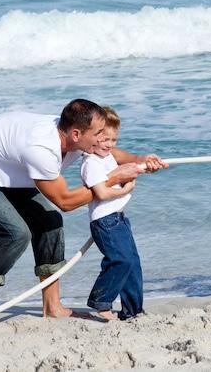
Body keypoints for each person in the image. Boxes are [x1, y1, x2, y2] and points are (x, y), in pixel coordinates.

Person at [0, 99, 167, 325]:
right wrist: (113, 179)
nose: (102, 139)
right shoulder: (42, 150)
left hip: (7, 169)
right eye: (98, 133)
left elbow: (106, 150)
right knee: (15, 234)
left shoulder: (74, 136)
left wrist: (139, 160)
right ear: (76, 134)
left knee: (50, 223)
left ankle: (53, 307)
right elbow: (66, 202)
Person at [80, 107, 144, 321]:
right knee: (120, 261)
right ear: (93, 137)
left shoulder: (107, 157)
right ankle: (101, 301)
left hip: (119, 218)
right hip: (105, 221)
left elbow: (124, 167)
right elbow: (101, 192)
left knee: (132, 265)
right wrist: (126, 189)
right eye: (105, 139)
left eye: (114, 140)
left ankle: (133, 311)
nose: (109, 144)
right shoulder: (91, 163)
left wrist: (144, 164)